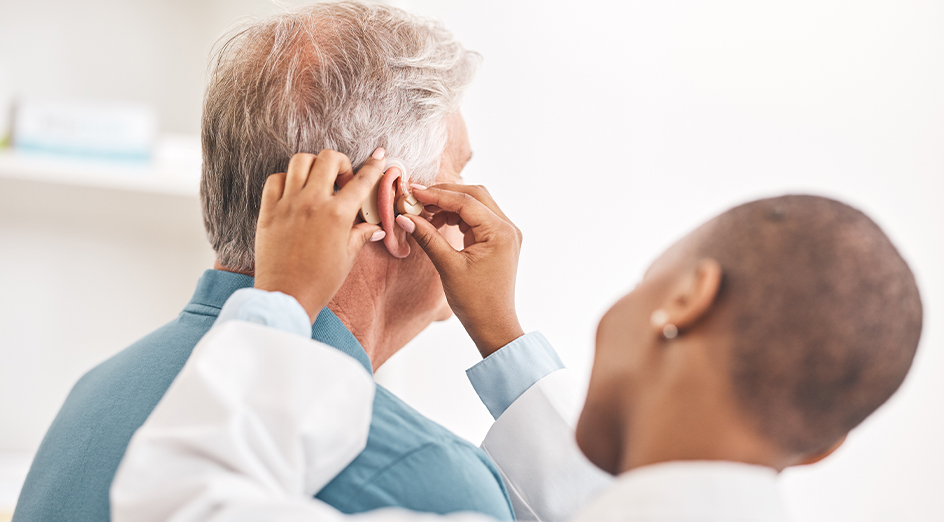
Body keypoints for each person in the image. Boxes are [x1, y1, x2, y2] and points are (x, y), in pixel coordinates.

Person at [15, 4, 614, 522]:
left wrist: (503, 337)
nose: (477, 198)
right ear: (396, 204)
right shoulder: (428, 477)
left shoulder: (96, 396)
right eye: (459, 172)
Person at [111, 152, 922, 521]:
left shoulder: (441, 490)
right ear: (820, 450)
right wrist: (498, 335)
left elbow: (179, 501)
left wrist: (282, 299)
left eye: (642, 282)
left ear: (686, 296)